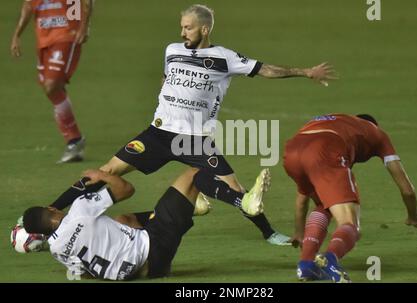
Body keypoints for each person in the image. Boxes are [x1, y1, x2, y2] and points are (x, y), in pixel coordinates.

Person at [48, 4, 336, 245]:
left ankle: (269, 233)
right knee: (107, 171)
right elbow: (166, 76)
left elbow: (265, 70)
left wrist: (305, 72)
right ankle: (53, 210)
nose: (182, 32)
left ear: (204, 29)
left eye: (187, 27)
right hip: (158, 134)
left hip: (195, 139)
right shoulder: (172, 49)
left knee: (236, 189)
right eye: (182, 26)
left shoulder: (225, 58)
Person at [23, 167, 262, 280]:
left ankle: (191, 208)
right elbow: (127, 189)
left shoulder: (56, 249)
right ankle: (244, 202)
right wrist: (103, 176)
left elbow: (83, 275)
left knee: (123, 220)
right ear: (52, 209)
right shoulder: (80, 210)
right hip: (156, 247)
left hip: (143, 272)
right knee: (194, 174)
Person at [283, 114, 417, 283]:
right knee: (350, 224)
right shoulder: (377, 134)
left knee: (324, 204)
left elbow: (302, 197)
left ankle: (306, 265)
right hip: (326, 147)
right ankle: (331, 260)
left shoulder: (341, 121)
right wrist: (413, 217)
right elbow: (407, 189)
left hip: (292, 151)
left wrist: (299, 233)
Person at [11, 0, 93, 163]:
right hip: (44, 39)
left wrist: (82, 26)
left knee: (51, 86)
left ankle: (74, 141)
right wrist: (16, 35)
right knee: (53, 91)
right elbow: (28, 5)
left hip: (66, 35)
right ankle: (74, 141)